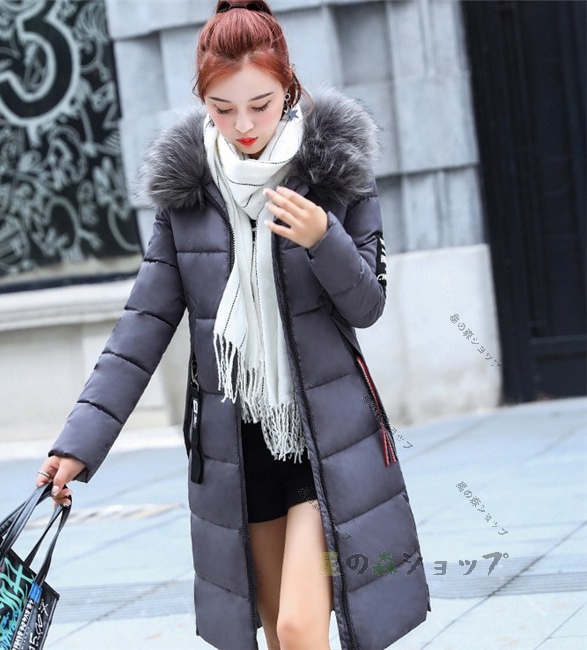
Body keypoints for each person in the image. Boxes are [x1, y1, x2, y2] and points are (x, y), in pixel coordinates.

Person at [36, 1, 430, 648]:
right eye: (222, 109)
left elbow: (367, 305)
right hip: (238, 449)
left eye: (260, 104)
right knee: (277, 633)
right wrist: (79, 443)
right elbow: (141, 328)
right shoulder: (188, 197)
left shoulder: (335, 172)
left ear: (288, 89)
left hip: (324, 437)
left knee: (301, 628)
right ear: (203, 101)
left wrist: (323, 238)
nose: (243, 125)